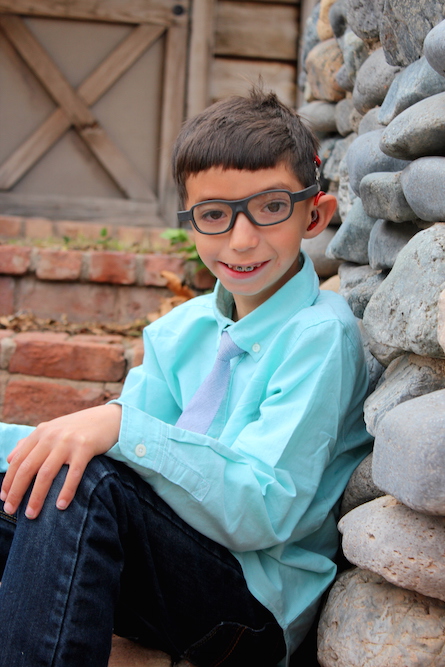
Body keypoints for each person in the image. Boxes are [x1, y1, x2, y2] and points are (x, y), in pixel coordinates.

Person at [0, 87, 372, 667]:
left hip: (250, 608)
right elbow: (120, 459)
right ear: (190, 226)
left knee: (85, 482)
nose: (241, 239)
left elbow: (264, 511)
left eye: (271, 207)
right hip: (165, 570)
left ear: (314, 214)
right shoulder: (181, 331)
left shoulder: (320, 336)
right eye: (215, 216)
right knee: (35, 480)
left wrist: (120, 427)